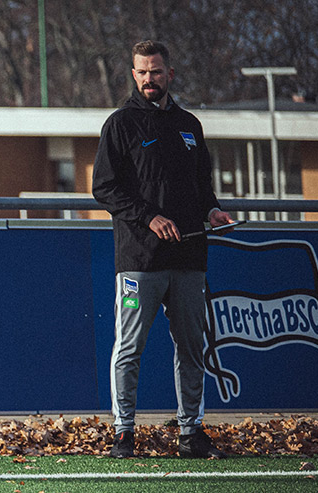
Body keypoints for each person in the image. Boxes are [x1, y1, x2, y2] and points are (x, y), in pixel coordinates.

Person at [92, 41, 235, 459]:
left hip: (190, 259)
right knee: (129, 349)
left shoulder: (190, 124)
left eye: (155, 71)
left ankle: (191, 433)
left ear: (169, 74)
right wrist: (149, 217)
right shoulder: (120, 124)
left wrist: (212, 210)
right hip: (140, 261)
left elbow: (202, 186)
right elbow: (104, 187)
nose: (148, 79)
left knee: (191, 348)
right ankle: (124, 433)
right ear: (132, 76)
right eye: (141, 72)